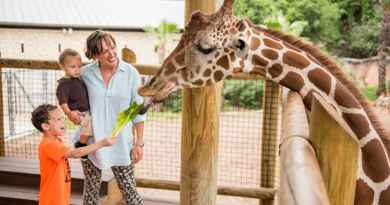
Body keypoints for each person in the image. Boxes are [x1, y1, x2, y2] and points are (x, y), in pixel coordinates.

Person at [79, 30, 146, 205]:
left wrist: (139, 143)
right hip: (91, 142)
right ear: (94, 55)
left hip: (121, 141)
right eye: (104, 51)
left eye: (112, 47)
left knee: (130, 192)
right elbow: (73, 100)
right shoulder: (85, 74)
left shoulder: (130, 73)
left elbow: (137, 111)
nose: (111, 53)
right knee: (91, 194)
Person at [31, 104, 115, 205]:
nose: (63, 121)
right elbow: (75, 153)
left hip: (60, 196)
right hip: (52, 199)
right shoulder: (49, 144)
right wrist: (101, 144)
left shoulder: (56, 141)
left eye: (62, 118)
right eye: (58, 119)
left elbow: (74, 150)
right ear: (46, 126)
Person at [56, 48, 92, 152]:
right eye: (73, 67)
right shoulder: (63, 84)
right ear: (62, 67)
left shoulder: (79, 79)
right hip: (78, 113)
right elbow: (62, 101)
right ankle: (80, 144)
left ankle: (79, 139)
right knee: (89, 126)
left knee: (90, 126)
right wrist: (69, 113)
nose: (77, 69)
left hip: (87, 111)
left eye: (79, 66)